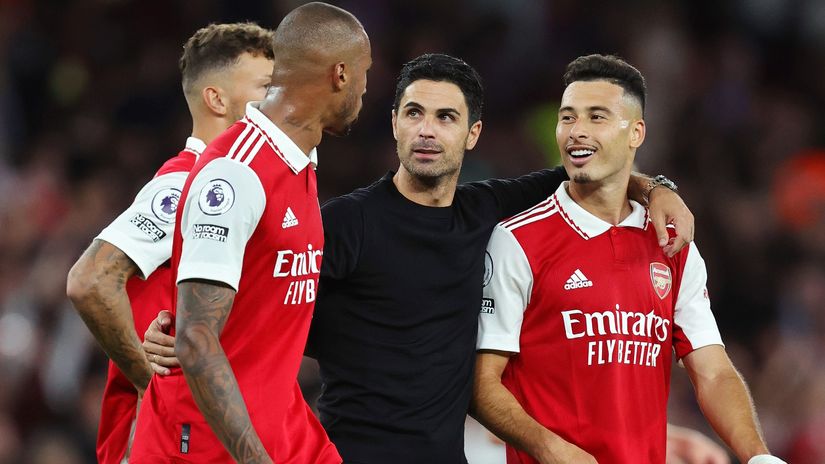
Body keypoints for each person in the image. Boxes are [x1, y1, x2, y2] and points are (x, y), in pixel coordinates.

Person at [145, 53, 695, 464]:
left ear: (472, 134)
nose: (427, 130)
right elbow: (261, 293)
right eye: (414, 113)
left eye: (446, 117)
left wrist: (658, 190)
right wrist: (180, 324)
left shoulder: (485, 210)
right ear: (394, 123)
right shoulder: (345, 224)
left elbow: (589, 170)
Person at [472, 54, 785, 464]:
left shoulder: (673, 244)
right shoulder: (517, 240)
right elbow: (481, 385)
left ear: (636, 132)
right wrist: (555, 451)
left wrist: (758, 455)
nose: (576, 131)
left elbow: (713, 371)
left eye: (596, 117)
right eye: (567, 118)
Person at [128, 3, 371, 464]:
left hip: (281, 425)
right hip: (203, 444)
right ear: (340, 74)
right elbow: (196, 340)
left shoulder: (297, 164)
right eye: (365, 73)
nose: (365, 89)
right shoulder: (236, 173)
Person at [65, 22, 275, 464]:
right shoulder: (186, 183)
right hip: (160, 440)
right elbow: (90, 280)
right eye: (265, 87)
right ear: (217, 99)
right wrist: (151, 384)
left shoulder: (241, 183)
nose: (277, 101)